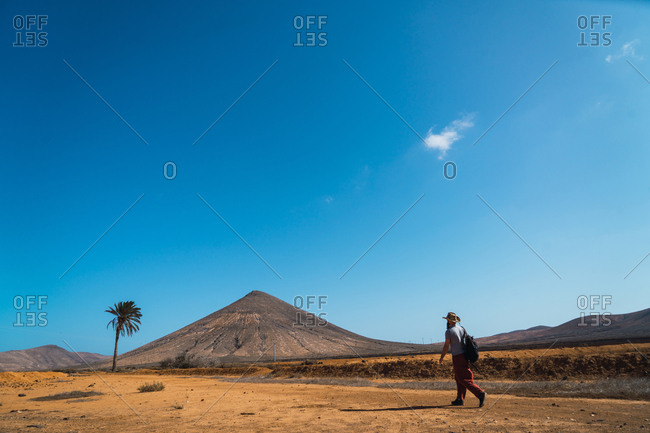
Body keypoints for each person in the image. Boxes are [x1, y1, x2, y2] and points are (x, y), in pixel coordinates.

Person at [438, 312, 486, 407]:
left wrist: (441, 357)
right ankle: (460, 399)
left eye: (447, 320)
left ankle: (480, 393)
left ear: (449, 321)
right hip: (464, 355)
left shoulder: (449, 331)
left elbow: (446, 346)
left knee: (464, 379)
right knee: (458, 377)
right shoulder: (462, 329)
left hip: (457, 356)